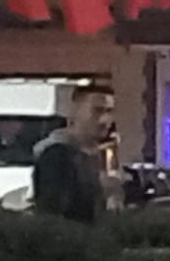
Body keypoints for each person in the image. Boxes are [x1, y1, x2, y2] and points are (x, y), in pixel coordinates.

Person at [32, 85, 114, 224]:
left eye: (109, 111)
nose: (104, 120)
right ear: (75, 111)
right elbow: (53, 215)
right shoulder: (57, 155)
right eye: (97, 111)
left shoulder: (94, 155)